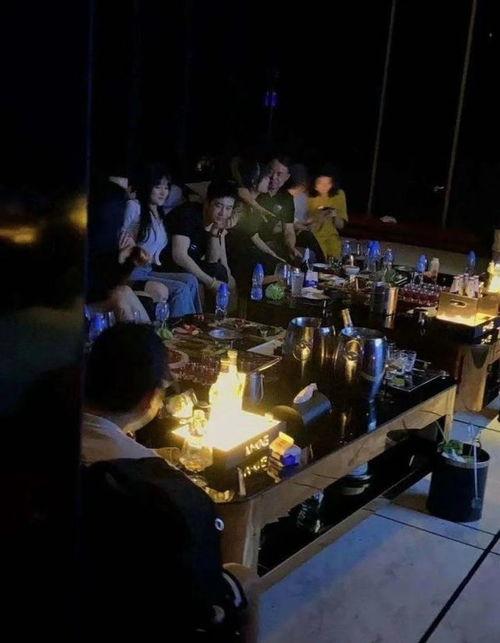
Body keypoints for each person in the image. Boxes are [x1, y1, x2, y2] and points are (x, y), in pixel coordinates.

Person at [81, 324, 253, 639]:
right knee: (244, 576)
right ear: (150, 399)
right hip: (136, 609)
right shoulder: (167, 494)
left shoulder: (35, 420)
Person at [87, 169, 169, 322]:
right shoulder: (94, 228)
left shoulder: (109, 229)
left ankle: (151, 334)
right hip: (78, 304)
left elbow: (112, 280)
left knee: (123, 291)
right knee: (120, 296)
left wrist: (128, 259)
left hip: (109, 289)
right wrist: (121, 256)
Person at [121, 164, 202, 316]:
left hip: (149, 269)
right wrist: (129, 247)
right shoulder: (134, 207)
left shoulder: (159, 213)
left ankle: (195, 324)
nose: (163, 192)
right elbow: (120, 237)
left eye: (166, 187)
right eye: (158, 187)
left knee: (190, 279)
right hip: (132, 272)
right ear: (147, 186)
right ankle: (180, 328)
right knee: (180, 289)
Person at [165, 180, 237, 293]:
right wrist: (211, 282)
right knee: (214, 277)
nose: (223, 213)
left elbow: (213, 260)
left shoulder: (217, 222)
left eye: (228, 208)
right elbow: (179, 256)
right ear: (207, 203)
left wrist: (215, 233)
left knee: (223, 275)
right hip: (169, 264)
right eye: (218, 206)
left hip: (189, 263)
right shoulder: (188, 214)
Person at [226, 160, 285, 290]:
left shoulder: (254, 204)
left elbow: (254, 235)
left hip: (248, 249)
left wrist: (272, 254)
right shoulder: (240, 204)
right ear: (254, 181)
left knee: (278, 263)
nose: (270, 180)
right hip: (237, 253)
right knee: (267, 267)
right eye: (266, 178)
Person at [308, 165, 348, 259]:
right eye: (320, 183)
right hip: (314, 240)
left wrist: (335, 215)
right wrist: (319, 216)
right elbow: (307, 227)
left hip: (332, 240)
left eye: (328, 184)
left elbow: (340, 226)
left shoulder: (339, 195)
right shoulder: (308, 196)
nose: (324, 187)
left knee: (335, 258)